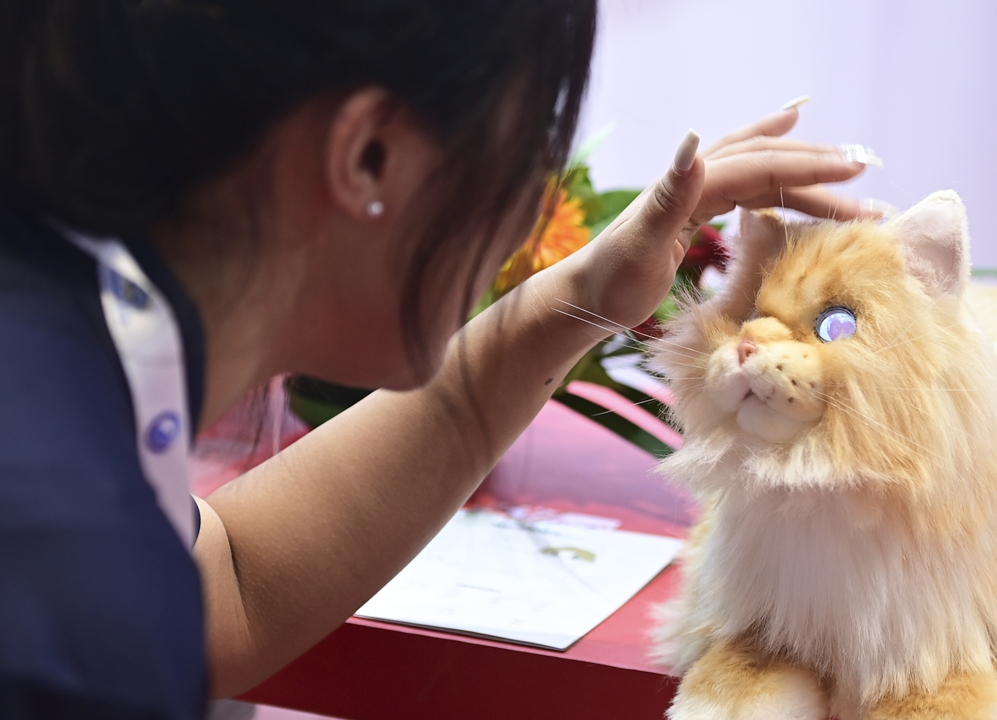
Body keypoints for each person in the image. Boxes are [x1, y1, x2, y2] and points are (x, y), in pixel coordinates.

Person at [0, 2, 881, 717]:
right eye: (531, 144)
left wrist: (576, 299)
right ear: (370, 154)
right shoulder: (71, 595)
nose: (529, 210)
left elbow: (220, 588)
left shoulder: (65, 364)